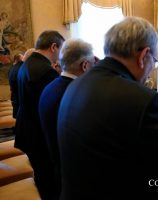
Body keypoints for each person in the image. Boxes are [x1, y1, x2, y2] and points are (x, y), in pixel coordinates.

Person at [57, 17, 158, 200]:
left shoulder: (75, 84)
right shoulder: (143, 101)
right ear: (144, 56)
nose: (151, 70)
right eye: (154, 62)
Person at [38, 39, 95, 199]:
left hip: (57, 166)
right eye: (92, 64)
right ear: (84, 66)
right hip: (76, 179)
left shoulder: (50, 87)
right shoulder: (77, 94)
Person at [15, 30, 65, 200]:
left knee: (41, 177)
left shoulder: (27, 64)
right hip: (39, 136)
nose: (60, 55)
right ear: (53, 47)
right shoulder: (45, 71)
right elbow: (52, 107)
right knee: (48, 183)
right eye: (61, 49)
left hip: (28, 130)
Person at [8, 54, 23, 118]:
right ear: (17, 60)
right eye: (22, 59)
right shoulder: (17, 69)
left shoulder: (12, 68)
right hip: (16, 96)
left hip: (14, 95)